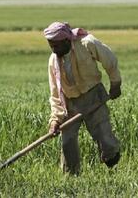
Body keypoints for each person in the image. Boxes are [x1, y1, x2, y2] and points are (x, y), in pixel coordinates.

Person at [44, 21, 122, 175]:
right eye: (51, 45)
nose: (54, 49)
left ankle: (112, 161)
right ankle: (71, 176)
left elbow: (109, 59)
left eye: (57, 45)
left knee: (104, 137)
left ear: (67, 40)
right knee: (67, 142)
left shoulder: (87, 43)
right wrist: (55, 120)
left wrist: (115, 83)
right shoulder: (53, 60)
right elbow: (55, 93)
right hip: (70, 103)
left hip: (93, 96)